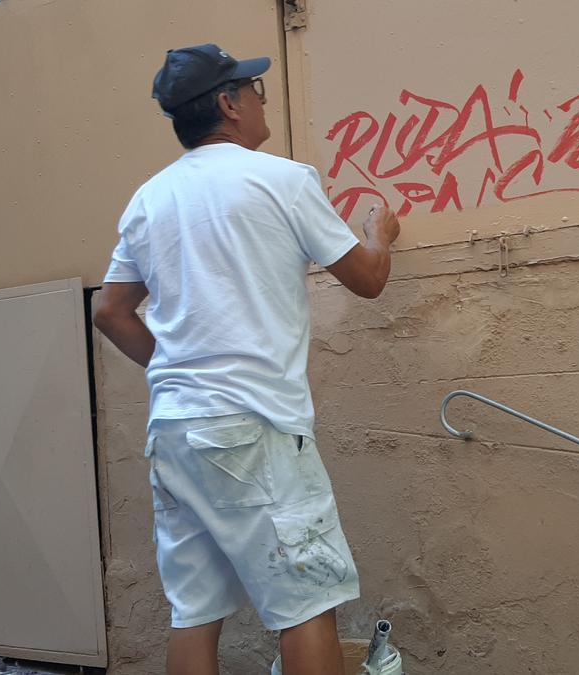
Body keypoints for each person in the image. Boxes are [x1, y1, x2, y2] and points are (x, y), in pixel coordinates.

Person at [93, 44, 400, 675]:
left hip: (176, 431)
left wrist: (176, 370)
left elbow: (111, 312)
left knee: (195, 613)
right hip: (253, 429)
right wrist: (381, 235)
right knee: (308, 603)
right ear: (228, 105)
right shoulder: (284, 180)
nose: (263, 100)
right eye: (254, 90)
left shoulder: (149, 199)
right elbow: (367, 279)